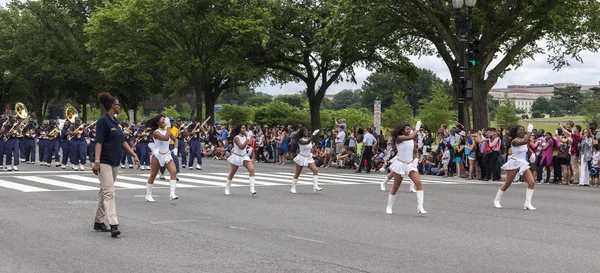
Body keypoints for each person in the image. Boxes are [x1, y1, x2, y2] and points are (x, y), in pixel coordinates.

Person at [92, 92, 140, 237]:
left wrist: (133, 154)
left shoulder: (115, 122)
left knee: (104, 191)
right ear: (113, 106)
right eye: (118, 104)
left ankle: (98, 221)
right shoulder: (103, 121)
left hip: (115, 161)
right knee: (110, 192)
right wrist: (97, 161)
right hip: (104, 161)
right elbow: (99, 142)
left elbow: (123, 141)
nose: (120, 106)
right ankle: (114, 224)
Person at [385, 121, 427, 215]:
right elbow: (411, 136)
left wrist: (416, 159)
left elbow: (415, 151)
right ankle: (389, 206)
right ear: (402, 131)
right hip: (400, 164)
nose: (409, 130)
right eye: (407, 129)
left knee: (418, 183)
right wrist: (416, 129)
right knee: (396, 186)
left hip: (410, 164)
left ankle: (420, 206)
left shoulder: (412, 140)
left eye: (410, 129)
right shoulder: (399, 138)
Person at [493, 124, 537, 210]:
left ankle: (527, 203)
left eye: (523, 129)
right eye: (519, 129)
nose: (521, 131)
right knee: (507, 183)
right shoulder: (514, 141)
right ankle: (496, 200)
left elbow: (527, 148)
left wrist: (532, 154)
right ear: (515, 132)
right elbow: (524, 142)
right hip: (514, 162)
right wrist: (529, 131)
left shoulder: (524, 140)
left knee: (531, 182)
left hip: (523, 163)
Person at [145, 115, 179, 202]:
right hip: (157, 155)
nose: (164, 120)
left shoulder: (167, 131)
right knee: (153, 175)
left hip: (167, 154)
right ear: (157, 122)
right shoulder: (156, 133)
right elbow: (166, 138)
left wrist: (175, 148)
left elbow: (175, 140)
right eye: (162, 119)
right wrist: (168, 127)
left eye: (165, 119)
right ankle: (148, 195)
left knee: (173, 171)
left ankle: (172, 193)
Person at [225, 124, 256, 195]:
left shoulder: (245, 136)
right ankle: (227, 188)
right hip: (237, 156)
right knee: (232, 173)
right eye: (243, 128)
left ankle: (252, 188)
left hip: (244, 156)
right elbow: (241, 146)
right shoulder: (236, 138)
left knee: (251, 169)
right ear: (239, 130)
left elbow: (247, 144)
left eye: (245, 128)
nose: (244, 129)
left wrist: (249, 143)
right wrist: (248, 138)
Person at [290, 127, 323, 193]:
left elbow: (309, 146)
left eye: (307, 131)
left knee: (315, 170)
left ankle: (315, 186)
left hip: (308, 157)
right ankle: (293, 188)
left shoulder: (309, 139)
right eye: (304, 131)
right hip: (302, 157)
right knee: (297, 173)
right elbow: (307, 142)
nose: (306, 132)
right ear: (302, 132)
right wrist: (313, 134)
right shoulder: (300, 140)